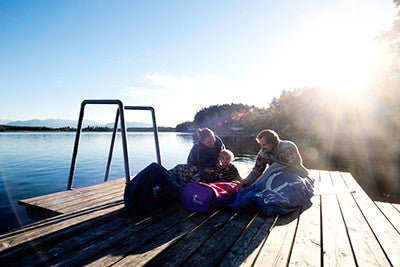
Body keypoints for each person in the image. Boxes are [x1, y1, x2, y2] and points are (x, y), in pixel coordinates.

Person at [240, 129, 309, 188]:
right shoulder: (263, 153)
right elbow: (257, 170)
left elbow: (275, 168)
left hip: (298, 176)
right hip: (277, 179)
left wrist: (256, 184)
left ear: (273, 142)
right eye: (260, 145)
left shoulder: (288, 147)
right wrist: (246, 181)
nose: (262, 147)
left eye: (264, 145)